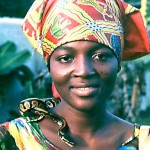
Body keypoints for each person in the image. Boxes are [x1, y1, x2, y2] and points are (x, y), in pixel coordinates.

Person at [0, 0, 150, 149]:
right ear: (49, 66)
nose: (83, 71)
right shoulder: (10, 140)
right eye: (66, 58)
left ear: (118, 63)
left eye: (100, 56)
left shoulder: (145, 143)